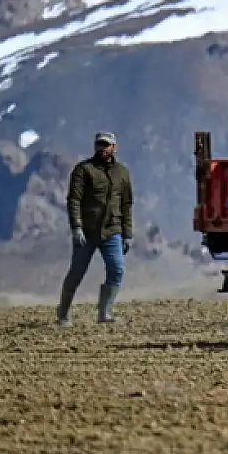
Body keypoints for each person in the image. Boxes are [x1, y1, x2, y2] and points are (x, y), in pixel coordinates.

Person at [57, 131, 133, 325]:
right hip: (87, 231)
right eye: (99, 144)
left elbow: (126, 204)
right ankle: (63, 314)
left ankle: (104, 313)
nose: (102, 148)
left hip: (112, 230)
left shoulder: (122, 172)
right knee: (77, 272)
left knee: (117, 269)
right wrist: (76, 227)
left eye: (106, 145)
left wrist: (127, 233)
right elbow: (74, 200)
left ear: (114, 147)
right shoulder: (83, 170)